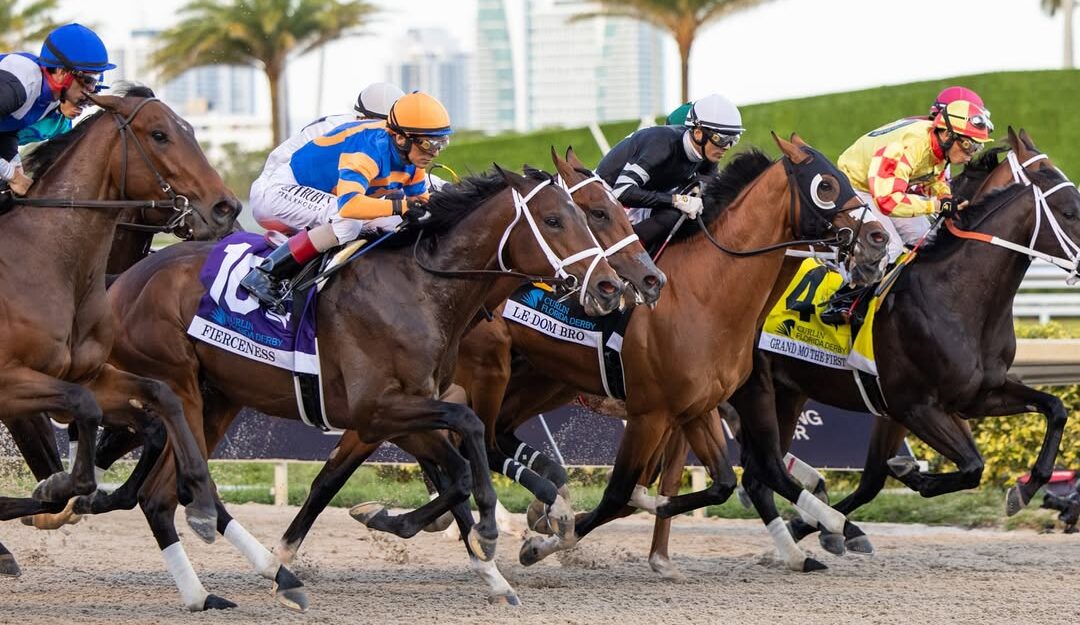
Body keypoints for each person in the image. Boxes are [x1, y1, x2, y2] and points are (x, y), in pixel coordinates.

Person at [239, 91, 452, 310]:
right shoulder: (365, 150)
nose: (434, 153)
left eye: (441, 144)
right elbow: (350, 206)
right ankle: (267, 274)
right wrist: (401, 206)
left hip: (323, 196)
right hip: (283, 190)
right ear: (400, 137)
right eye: (428, 145)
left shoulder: (411, 157)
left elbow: (420, 202)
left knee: (395, 223)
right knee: (348, 222)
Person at [819, 98, 993, 325]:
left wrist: (945, 197)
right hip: (853, 186)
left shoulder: (939, 147)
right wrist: (937, 206)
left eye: (978, 147)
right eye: (969, 145)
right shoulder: (910, 145)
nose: (972, 153)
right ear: (947, 135)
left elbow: (935, 176)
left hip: (879, 186)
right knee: (887, 245)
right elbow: (888, 202)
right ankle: (842, 302)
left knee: (927, 238)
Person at [250, 82, 405, 234]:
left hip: (309, 196)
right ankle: (282, 260)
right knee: (349, 219)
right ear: (361, 118)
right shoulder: (341, 132)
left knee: (393, 220)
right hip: (272, 195)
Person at [596, 93, 744, 251]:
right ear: (699, 133)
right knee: (676, 211)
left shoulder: (706, 156)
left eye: (734, 139)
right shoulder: (662, 144)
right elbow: (621, 192)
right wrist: (675, 200)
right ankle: (628, 254)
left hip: (640, 197)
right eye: (721, 139)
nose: (727, 147)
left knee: (704, 205)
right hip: (604, 197)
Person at [0, 23, 113, 197]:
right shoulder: (19, 85)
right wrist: (13, 176)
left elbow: (6, 131)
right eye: (89, 80)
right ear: (61, 72)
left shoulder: (52, 99)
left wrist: (16, 166)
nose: (91, 91)